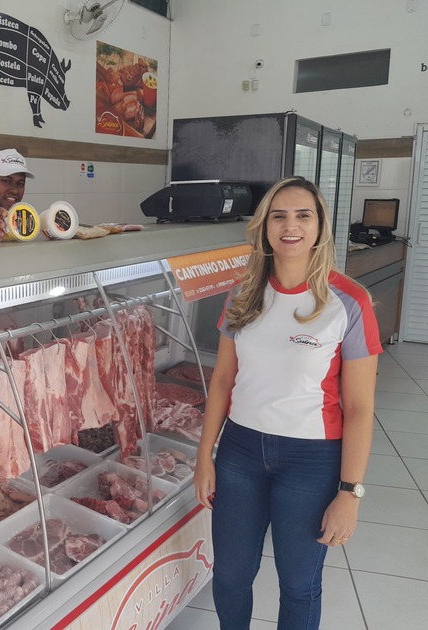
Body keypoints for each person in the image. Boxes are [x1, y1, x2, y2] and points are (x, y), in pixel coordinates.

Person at [193, 176, 381, 630]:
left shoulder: (349, 302)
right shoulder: (243, 294)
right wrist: (204, 456)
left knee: (298, 584)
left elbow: (359, 408)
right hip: (239, 453)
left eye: (303, 215)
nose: (290, 226)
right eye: (278, 216)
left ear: (320, 226)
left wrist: (350, 492)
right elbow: (223, 380)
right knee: (230, 576)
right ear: (264, 226)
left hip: (311, 460)